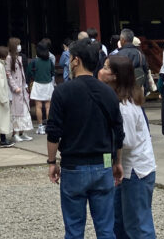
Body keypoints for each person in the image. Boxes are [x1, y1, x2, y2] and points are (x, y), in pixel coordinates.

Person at [46, 39, 124, 239]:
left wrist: (52, 162)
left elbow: (54, 132)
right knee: (106, 228)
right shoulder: (108, 92)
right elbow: (118, 132)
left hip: (73, 164)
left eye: (70, 57)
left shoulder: (62, 92)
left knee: (74, 229)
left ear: (76, 61)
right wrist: (117, 162)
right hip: (103, 161)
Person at [99, 55, 156, 239]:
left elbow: (127, 141)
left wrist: (101, 141)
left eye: (106, 67)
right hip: (124, 169)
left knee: (138, 225)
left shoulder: (125, 106)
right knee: (119, 222)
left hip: (135, 171)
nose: (102, 70)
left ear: (115, 76)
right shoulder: (117, 99)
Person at [6, 36, 34, 142]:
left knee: (24, 111)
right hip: (15, 89)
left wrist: (25, 85)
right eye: (18, 44)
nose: (19, 46)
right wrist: (14, 87)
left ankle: (23, 132)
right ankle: (15, 133)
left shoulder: (19, 57)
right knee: (16, 112)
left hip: (22, 88)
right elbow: (8, 74)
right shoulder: (9, 58)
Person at [29, 39, 57, 134]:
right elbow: (53, 73)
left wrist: (34, 77)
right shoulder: (50, 61)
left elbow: (29, 72)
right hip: (48, 84)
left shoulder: (34, 61)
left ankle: (40, 127)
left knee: (38, 106)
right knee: (48, 106)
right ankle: (48, 126)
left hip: (38, 84)